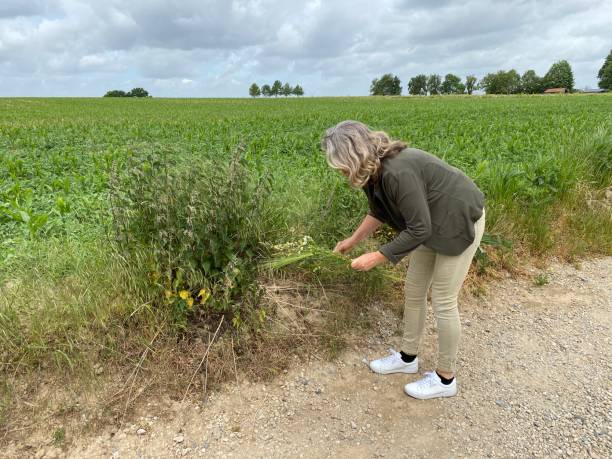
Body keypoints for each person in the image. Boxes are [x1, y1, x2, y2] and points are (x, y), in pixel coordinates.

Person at [321, 120, 485, 400]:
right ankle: (408, 358)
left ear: (352, 155)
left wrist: (377, 256)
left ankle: (446, 380)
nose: (340, 170)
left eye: (340, 163)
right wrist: (352, 240)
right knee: (414, 290)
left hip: (457, 219)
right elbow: (379, 212)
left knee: (443, 300)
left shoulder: (397, 172)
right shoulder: (371, 173)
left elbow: (419, 229)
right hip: (429, 222)